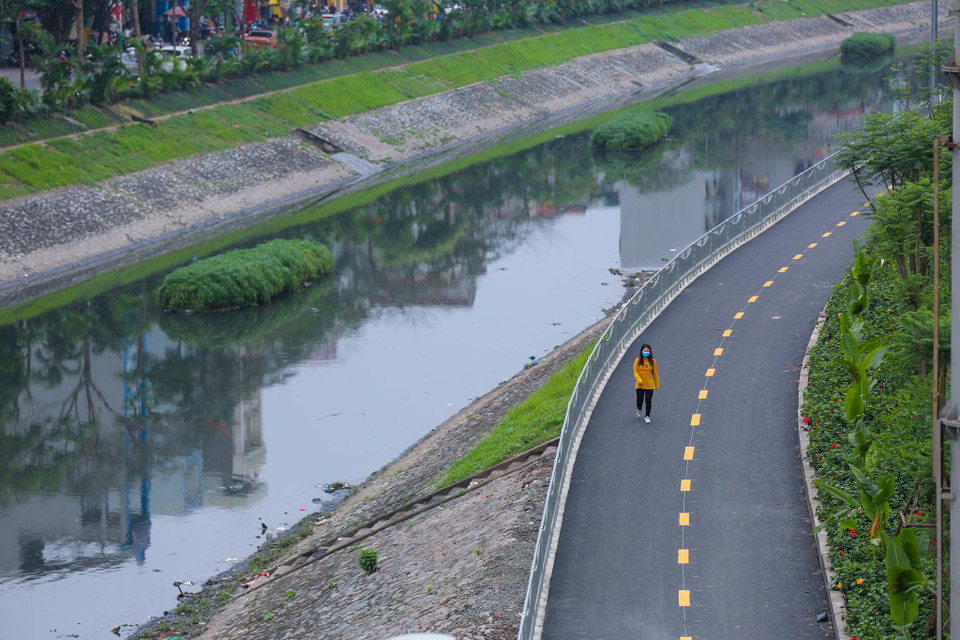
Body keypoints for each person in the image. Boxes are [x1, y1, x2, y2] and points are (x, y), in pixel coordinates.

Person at [633, 343, 659, 423]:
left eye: (648, 351)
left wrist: (657, 385)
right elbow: (635, 372)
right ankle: (639, 408)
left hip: (649, 385)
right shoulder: (637, 361)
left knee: (648, 401)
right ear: (641, 351)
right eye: (645, 350)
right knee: (639, 400)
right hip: (640, 385)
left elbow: (655, 374)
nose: (646, 352)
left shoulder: (652, 362)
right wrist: (639, 380)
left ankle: (647, 416)